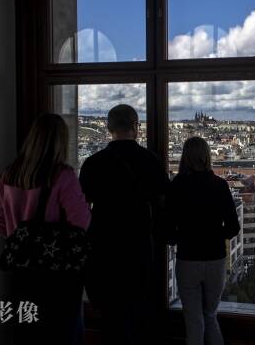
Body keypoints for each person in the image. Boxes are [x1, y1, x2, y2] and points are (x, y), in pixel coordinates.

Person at [0, 113, 91, 345]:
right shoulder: (62, 176)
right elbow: (82, 222)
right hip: (58, 275)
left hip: (22, 272)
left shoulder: (7, 175)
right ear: (61, 141)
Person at [79, 104, 169, 344]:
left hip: (104, 247)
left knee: (111, 317)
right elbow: (163, 204)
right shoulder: (150, 161)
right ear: (136, 127)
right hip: (138, 245)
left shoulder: (93, 164)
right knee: (138, 312)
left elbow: (82, 208)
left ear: (109, 128)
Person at [165, 136, 240, 345]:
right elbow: (234, 227)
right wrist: (215, 234)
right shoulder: (219, 185)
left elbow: (168, 230)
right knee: (210, 315)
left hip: (188, 258)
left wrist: (184, 236)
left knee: (194, 320)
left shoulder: (177, 185)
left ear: (184, 157)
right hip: (215, 258)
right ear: (207, 156)